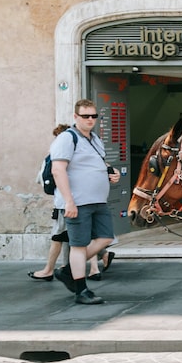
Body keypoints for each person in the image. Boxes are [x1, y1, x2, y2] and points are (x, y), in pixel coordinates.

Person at [51, 100, 121, 305]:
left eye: (93, 116)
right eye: (85, 116)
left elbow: (99, 162)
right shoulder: (67, 138)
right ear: (75, 117)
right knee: (79, 246)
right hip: (78, 202)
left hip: (98, 200)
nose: (90, 120)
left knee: (106, 237)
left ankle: (68, 270)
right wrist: (69, 202)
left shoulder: (95, 139)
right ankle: (81, 290)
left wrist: (111, 172)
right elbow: (58, 170)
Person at [31, 124, 107, 282]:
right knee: (85, 237)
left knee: (58, 237)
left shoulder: (57, 155)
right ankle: (94, 267)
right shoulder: (84, 153)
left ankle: (52, 270)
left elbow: (46, 181)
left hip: (67, 204)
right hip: (86, 201)